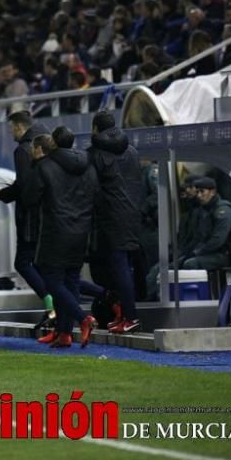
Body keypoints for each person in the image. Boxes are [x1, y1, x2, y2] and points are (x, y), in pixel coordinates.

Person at [21, 129, 98, 348]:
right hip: (81, 230)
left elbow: (29, 198)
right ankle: (64, 333)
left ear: (53, 142)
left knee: (53, 282)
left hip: (55, 232)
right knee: (71, 280)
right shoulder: (87, 165)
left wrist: (34, 166)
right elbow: (96, 194)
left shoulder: (45, 166)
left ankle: (83, 319)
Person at [0, 110, 55, 327]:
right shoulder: (50, 142)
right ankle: (101, 295)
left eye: (11, 128)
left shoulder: (23, 150)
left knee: (24, 263)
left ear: (19, 127)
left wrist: (4, 195)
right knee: (52, 269)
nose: (11, 133)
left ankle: (51, 304)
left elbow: (26, 188)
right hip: (53, 216)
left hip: (31, 219)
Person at [87, 111, 142, 334]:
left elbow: (92, 189)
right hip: (131, 214)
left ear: (95, 128)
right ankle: (123, 314)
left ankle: (131, 316)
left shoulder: (95, 154)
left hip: (110, 216)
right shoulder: (132, 152)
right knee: (123, 266)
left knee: (119, 268)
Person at [181, 177, 231, 272]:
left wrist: (197, 252)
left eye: (202, 191)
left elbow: (217, 240)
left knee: (189, 264)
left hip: (226, 255)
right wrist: (186, 252)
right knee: (176, 263)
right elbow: (200, 237)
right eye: (197, 192)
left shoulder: (223, 211)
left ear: (213, 192)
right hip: (211, 253)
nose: (199, 195)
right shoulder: (206, 210)